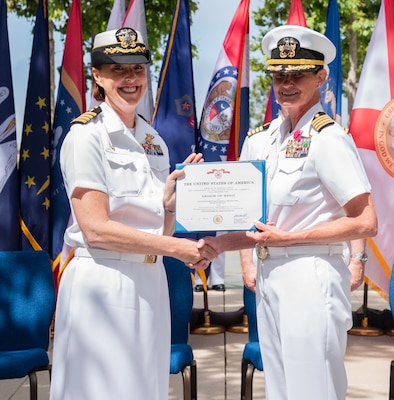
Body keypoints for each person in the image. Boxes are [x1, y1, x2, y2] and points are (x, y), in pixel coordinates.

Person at [200, 25, 378, 400]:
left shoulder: (329, 139)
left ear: (321, 76)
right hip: (270, 277)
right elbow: (250, 220)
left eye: (297, 74)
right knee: (281, 391)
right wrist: (213, 245)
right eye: (280, 74)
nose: (287, 83)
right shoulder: (261, 139)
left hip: (311, 276)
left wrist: (290, 238)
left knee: (313, 391)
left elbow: (365, 220)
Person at [49, 27, 217, 400]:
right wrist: (176, 250)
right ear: (97, 76)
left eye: (138, 69)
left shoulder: (151, 140)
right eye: (118, 69)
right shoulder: (86, 136)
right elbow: (96, 229)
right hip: (103, 279)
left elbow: (160, 227)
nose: (130, 79)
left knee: (145, 388)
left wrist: (170, 205)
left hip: (150, 279)